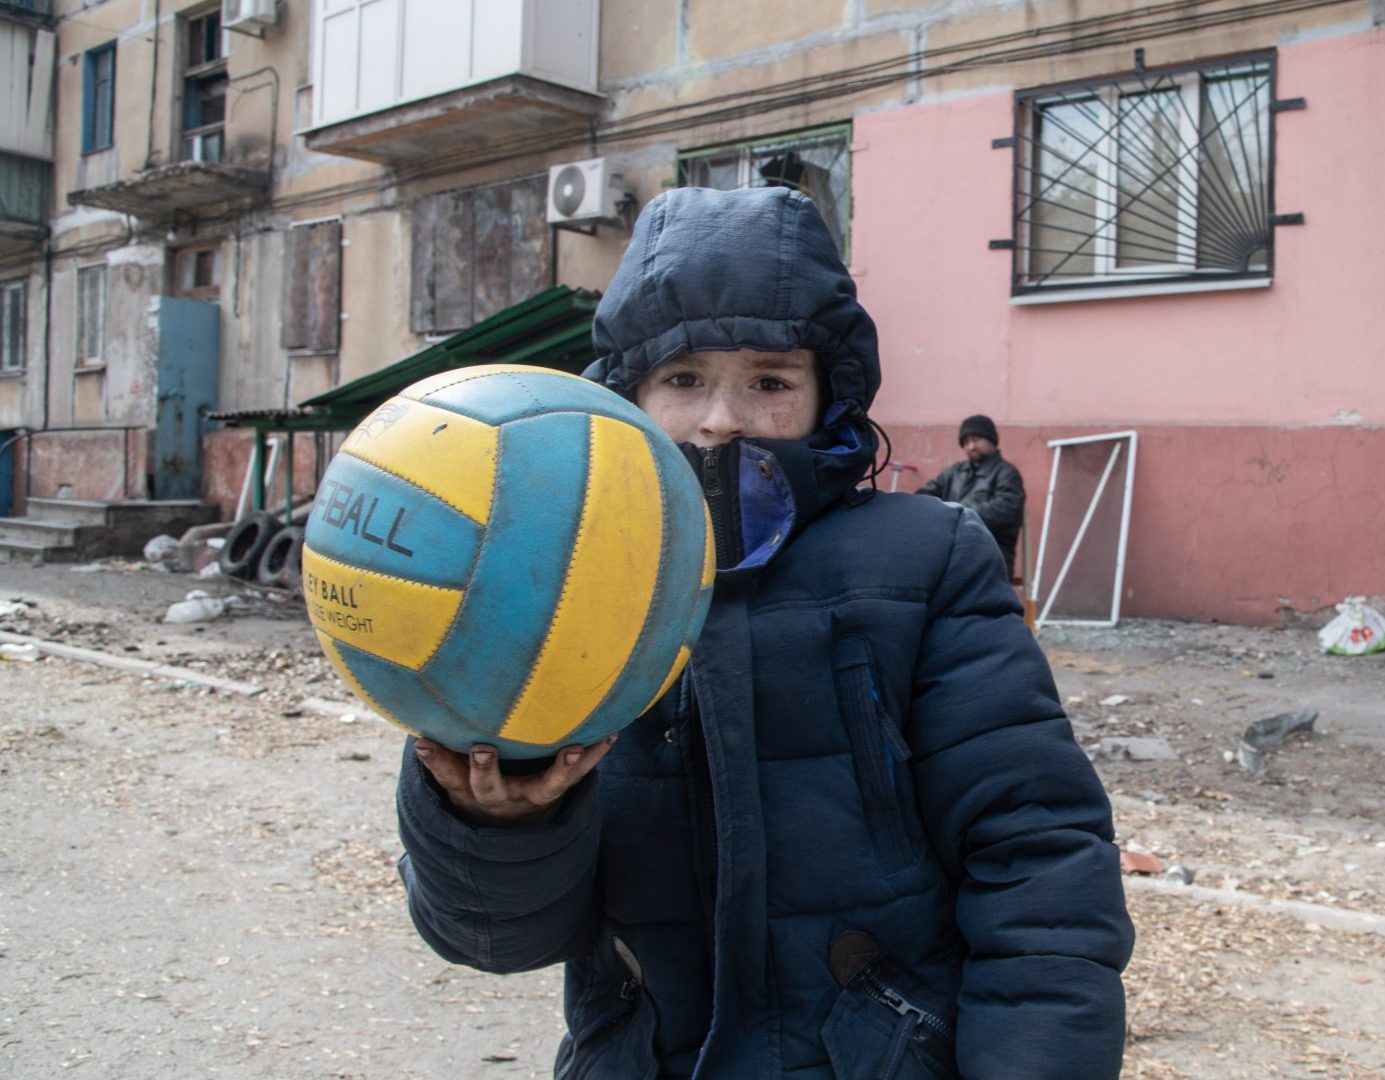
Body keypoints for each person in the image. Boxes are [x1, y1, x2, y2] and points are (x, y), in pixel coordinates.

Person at [394, 186, 1133, 1080]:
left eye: (770, 382)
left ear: (831, 396)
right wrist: (497, 821)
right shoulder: (558, 587)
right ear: (626, 394)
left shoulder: (927, 562)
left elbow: (1037, 854)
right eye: (683, 379)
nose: (723, 418)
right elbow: (495, 938)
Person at [915, 416, 1025, 581]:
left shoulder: (1007, 473)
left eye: (976, 439)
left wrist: (956, 514)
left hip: (990, 553)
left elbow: (1007, 509)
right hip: (950, 551)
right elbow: (924, 496)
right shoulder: (953, 472)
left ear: (992, 440)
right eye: (966, 442)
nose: (971, 446)